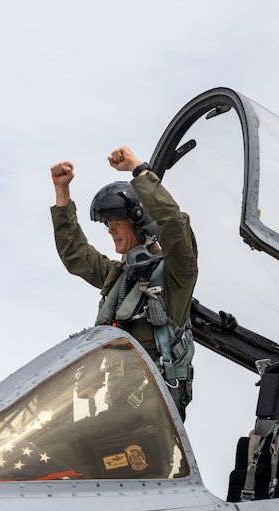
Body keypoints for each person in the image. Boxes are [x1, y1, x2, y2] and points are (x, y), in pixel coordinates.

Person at [50, 146, 198, 419]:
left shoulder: (175, 278)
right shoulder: (119, 277)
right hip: (116, 412)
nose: (110, 229)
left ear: (142, 223)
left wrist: (139, 171)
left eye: (116, 222)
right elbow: (76, 255)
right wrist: (62, 194)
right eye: (107, 223)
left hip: (155, 417)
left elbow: (175, 227)